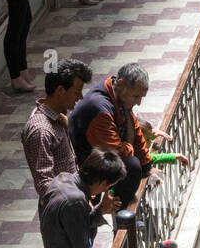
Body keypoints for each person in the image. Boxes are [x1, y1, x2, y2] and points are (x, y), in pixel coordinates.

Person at [68, 63, 188, 209]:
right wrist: (129, 147)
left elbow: (134, 129)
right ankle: (122, 218)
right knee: (132, 165)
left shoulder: (119, 96)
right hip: (89, 171)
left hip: (102, 162)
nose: (138, 102)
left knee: (137, 164)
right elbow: (115, 151)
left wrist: (147, 166)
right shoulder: (99, 109)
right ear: (120, 84)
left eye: (141, 97)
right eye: (136, 96)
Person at [22, 57, 113, 217]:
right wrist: (77, 198)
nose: (80, 97)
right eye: (76, 92)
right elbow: (45, 184)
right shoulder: (41, 130)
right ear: (60, 91)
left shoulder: (59, 117)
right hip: (64, 210)